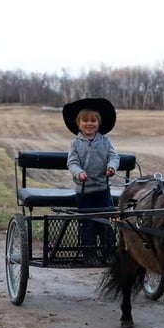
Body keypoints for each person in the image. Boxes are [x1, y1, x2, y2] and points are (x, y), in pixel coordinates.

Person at [63, 97, 120, 264]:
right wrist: (79, 173)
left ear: (99, 123)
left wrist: (111, 167)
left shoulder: (105, 141)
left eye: (93, 120)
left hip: (103, 190)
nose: (89, 124)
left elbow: (114, 157)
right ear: (78, 124)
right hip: (84, 192)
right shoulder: (75, 144)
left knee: (104, 223)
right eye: (85, 120)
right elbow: (72, 162)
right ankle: (90, 255)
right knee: (88, 224)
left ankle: (108, 253)